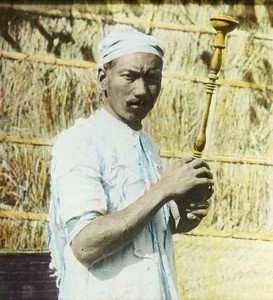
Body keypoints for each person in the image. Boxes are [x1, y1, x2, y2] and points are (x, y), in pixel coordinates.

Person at [49, 30, 214, 300]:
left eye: (153, 79)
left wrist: (184, 214)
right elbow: (86, 245)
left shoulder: (147, 145)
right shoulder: (79, 142)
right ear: (103, 78)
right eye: (130, 76)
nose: (142, 90)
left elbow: (146, 227)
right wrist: (163, 190)